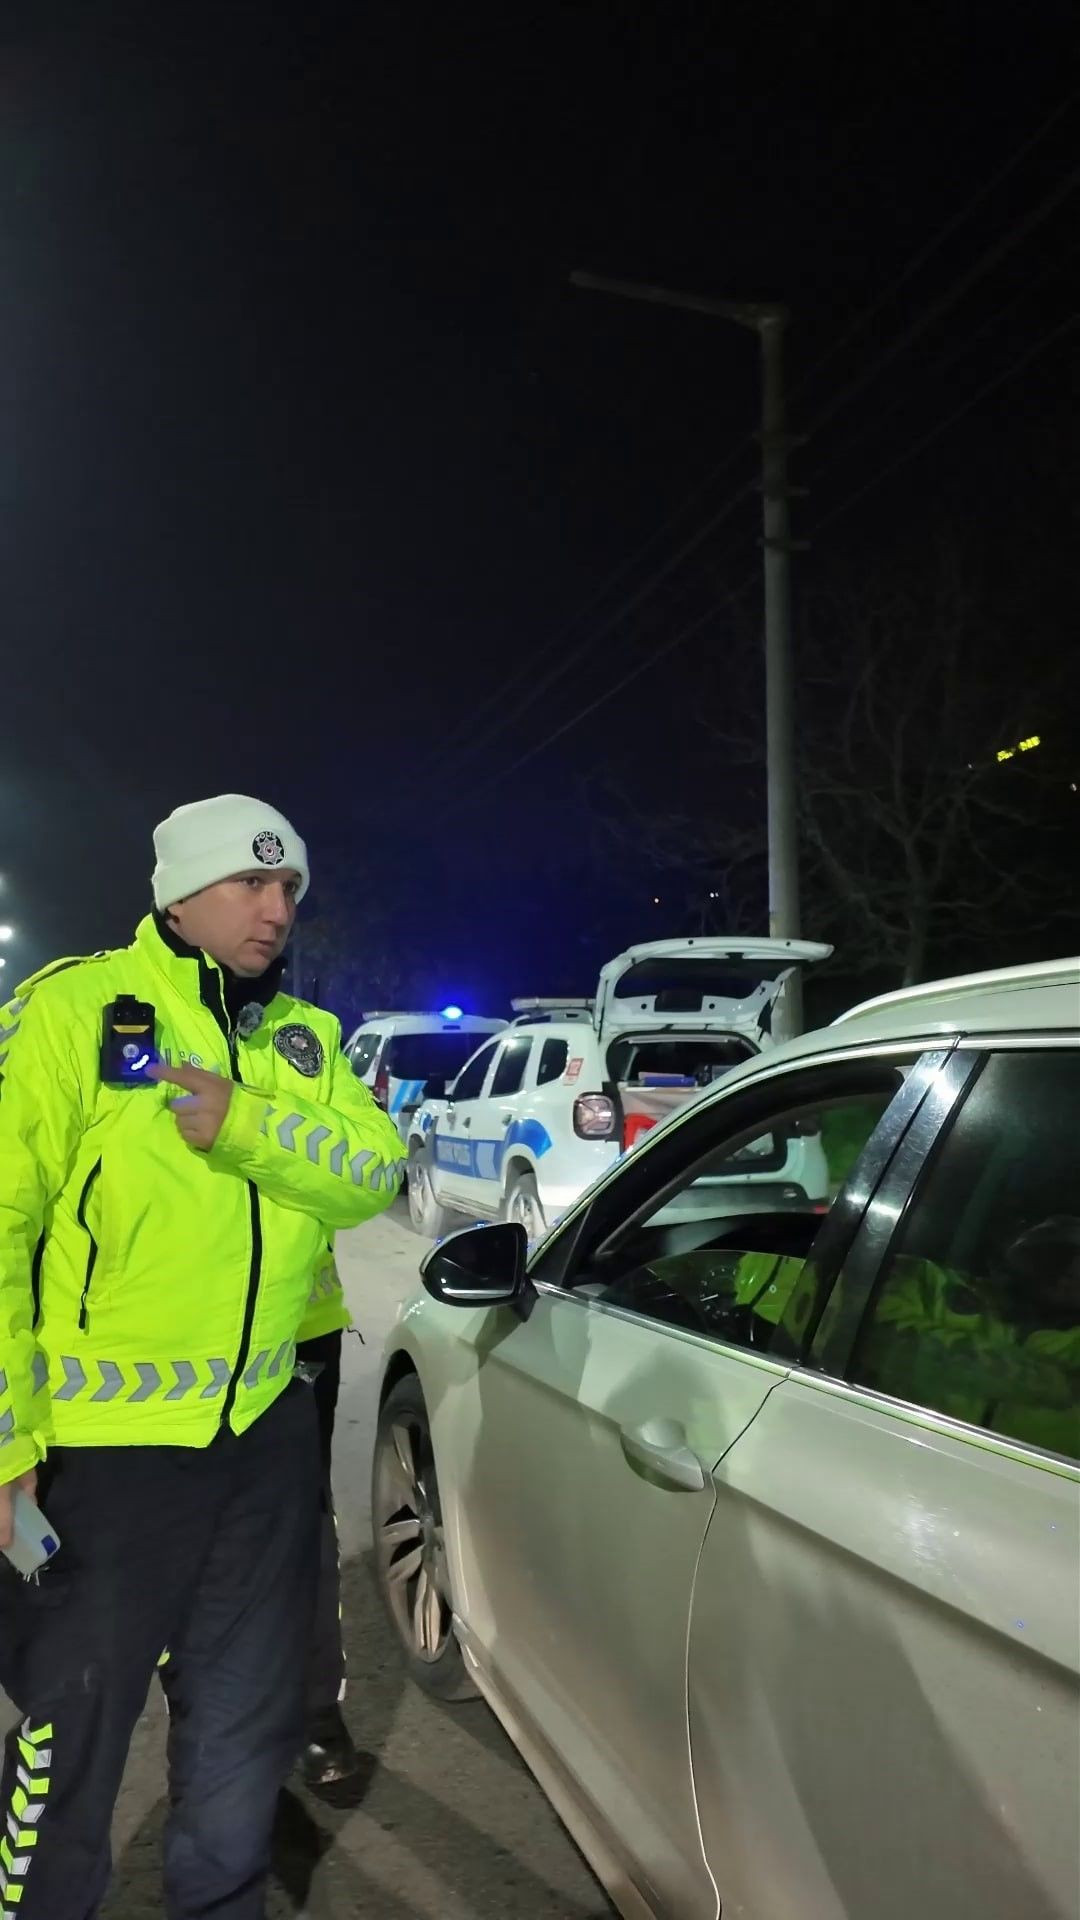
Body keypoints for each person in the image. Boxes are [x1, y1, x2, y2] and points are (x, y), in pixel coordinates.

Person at [0, 794, 405, 1919]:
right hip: (97, 1455)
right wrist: (7, 1444)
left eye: (289, 890)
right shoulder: (75, 1011)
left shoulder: (304, 1041)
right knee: (69, 1733)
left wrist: (244, 1122)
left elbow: (371, 1175)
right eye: (250, 885)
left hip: (262, 1437)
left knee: (241, 1731)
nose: (276, 909)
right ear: (178, 893)